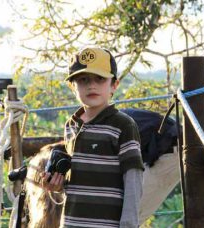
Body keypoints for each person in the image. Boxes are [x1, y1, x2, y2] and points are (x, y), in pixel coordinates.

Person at [42, 47, 144, 228]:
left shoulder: (123, 125)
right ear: (73, 86)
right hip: (72, 222)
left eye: (100, 79)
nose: (92, 85)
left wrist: (129, 224)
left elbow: (133, 178)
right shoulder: (71, 126)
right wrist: (58, 185)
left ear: (114, 85)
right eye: (83, 80)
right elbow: (77, 181)